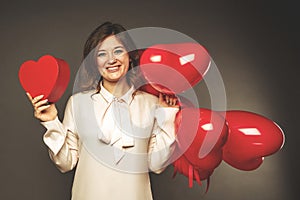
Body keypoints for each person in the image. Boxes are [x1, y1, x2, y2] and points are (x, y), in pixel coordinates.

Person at [27, 21, 179, 200]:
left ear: (130, 55)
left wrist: (168, 117)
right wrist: (52, 122)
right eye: (101, 53)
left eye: (118, 51)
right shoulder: (78, 103)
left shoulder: (152, 104)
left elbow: (157, 164)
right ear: (94, 62)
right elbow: (65, 163)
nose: (111, 59)